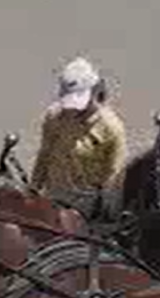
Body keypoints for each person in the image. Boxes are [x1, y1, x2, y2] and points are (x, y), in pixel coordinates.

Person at [32, 58, 129, 211]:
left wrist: (106, 207)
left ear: (95, 92)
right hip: (53, 197)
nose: (74, 110)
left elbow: (114, 173)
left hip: (87, 203)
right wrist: (33, 188)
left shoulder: (111, 127)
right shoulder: (54, 116)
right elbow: (45, 153)